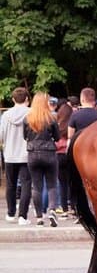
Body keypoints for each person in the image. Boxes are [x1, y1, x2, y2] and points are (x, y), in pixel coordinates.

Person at [23, 92, 60, 227]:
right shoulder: (51, 118)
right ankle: (52, 210)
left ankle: (39, 217)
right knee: (51, 185)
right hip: (49, 153)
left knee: (36, 186)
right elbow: (57, 137)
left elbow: (24, 136)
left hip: (33, 153)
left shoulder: (28, 118)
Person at [0, 87, 32, 225]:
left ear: (13, 99)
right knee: (26, 185)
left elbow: (1, 135)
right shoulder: (31, 114)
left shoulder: (5, 115)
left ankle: (10, 213)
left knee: (11, 185)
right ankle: (23, 216)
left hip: (9, 155)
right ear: (27, 99)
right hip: (26, 154)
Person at [54, 98, 73, 217]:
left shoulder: (57, 125)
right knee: (72, 181)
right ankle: (73, 206)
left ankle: (64, 208)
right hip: (70, 154)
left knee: (62, 183)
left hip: (58, 155)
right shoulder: (72, 124)